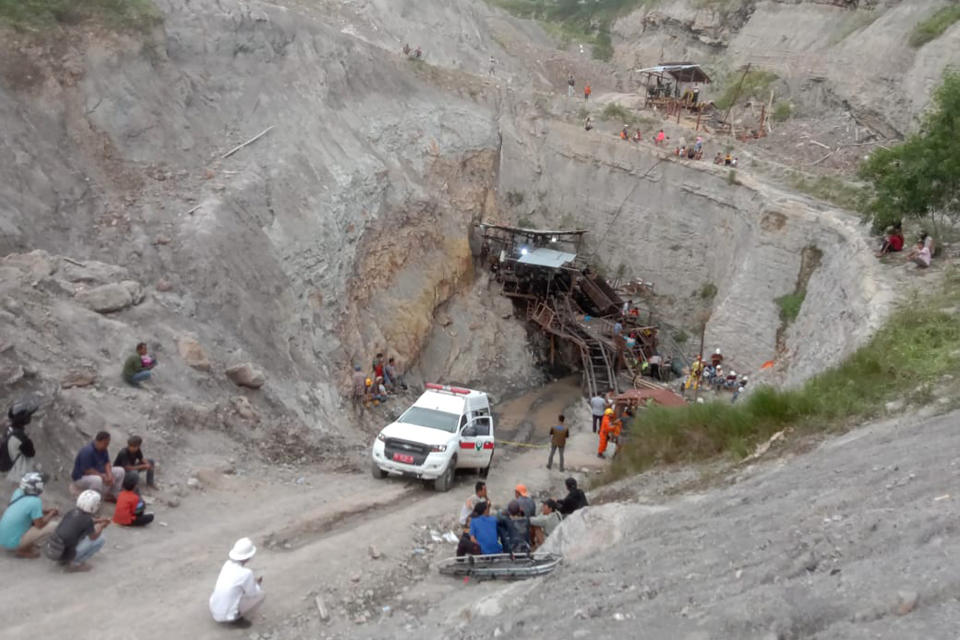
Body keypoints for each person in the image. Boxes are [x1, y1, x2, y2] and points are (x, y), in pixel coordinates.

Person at [46, 490, 109, 572]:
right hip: (65, 552)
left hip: (55, 549)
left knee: (78, 536)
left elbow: (81, 522)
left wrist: (98, 520)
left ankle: (63, 561)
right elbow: (93, 537)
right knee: (100, 539)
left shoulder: (72, 512)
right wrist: (102, 526)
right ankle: (76, 563)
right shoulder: (87, 520)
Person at [209, 537, 266, 628]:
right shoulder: (247, 573)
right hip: (226, 616)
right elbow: (253, 593)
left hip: (213, 607)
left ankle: (226, 611)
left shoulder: (227, 564)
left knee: (235, 591)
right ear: (248, 557)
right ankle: (236, 619)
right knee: (261, 595)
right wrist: (257, 585)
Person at [0, 472, 59, 558]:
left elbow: (23, 508)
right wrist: (51, 514)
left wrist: (45, 512)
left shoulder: (18, 492)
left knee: (31, 522)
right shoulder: (35, 501)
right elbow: (40, 525)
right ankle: (22, 550)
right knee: (53, 525)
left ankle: (25, 544)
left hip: (3, 537)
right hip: (13, 543)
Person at [70, 431, 124, 500]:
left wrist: (109, 475)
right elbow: (87, 470)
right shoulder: (87, 451)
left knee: (120, 471)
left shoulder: (103, 449)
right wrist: (103, 477)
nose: (107, 446)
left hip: (98, 472)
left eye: (108, 443)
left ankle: (113, 494)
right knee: (97, 480)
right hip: (81, 477)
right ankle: (95, 499)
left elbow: (107, 463)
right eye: (105, 443)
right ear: (98, 441)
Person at [3, 398, 39, 484]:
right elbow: (31, 453)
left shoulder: (7, 429)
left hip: (6, 463)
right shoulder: (21, 437)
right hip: (16, 473)